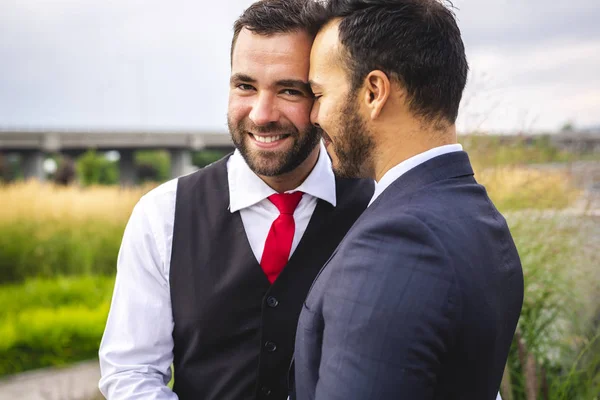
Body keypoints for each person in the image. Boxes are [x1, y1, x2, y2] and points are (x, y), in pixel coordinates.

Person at [98, 0, 373, 399]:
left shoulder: (376, 209)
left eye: (289, 90)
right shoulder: (162, 217)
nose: (262, 114)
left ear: (322, 97)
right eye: (245, 86)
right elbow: (130, 373)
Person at [293, 0, 524, 399]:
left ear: (374, 92)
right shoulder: (481, 219)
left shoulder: (396, 245)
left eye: (318, 93)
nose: (312, 115)